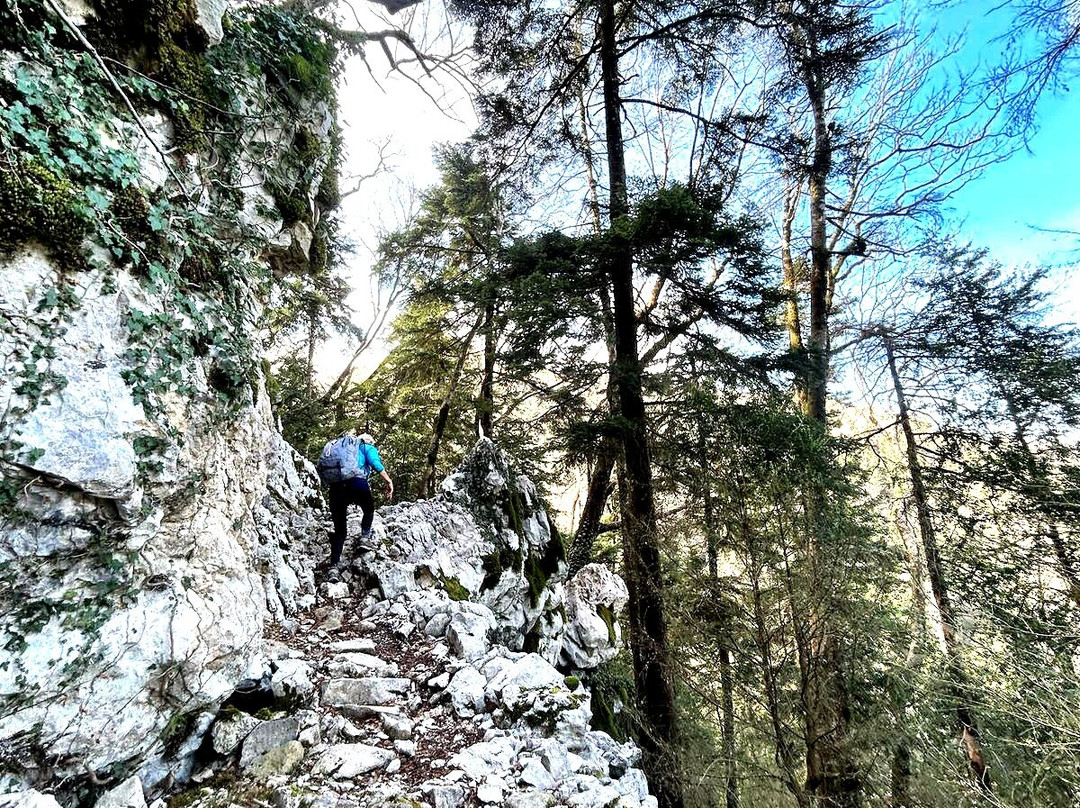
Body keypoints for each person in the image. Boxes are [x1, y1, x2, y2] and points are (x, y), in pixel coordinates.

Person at [326, 432, 393, 569]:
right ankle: (364, 537)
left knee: (340, 531)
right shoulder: (367, 447)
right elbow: (376, 463)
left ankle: (333, 566)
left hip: (336, 487)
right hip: (357, 483)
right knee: (369, 509)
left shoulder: (342, 449)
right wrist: (388, 481)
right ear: (369, 442)